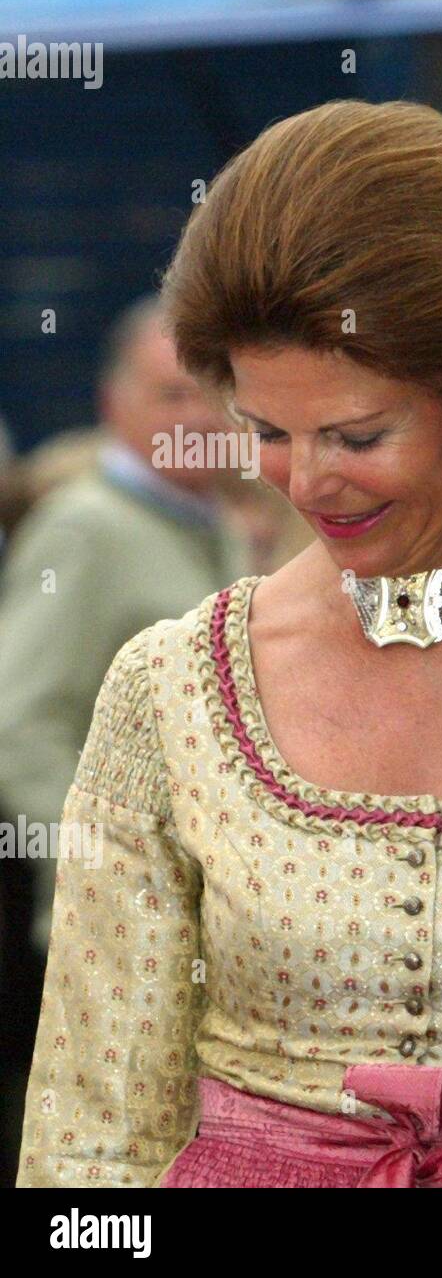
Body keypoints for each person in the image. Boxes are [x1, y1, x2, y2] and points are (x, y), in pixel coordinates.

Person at [16, 98, 442, 1187]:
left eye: (356, 434)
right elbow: (94, 1131)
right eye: (268, 432)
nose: (306, 480)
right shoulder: (172, 686)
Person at [0, 295, 253, 957]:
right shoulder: (84, 527)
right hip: (114, 942)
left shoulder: (209, 520)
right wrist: (100, 870)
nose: (197, 418)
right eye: (172, 396)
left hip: (202, 930)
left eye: (214, 394)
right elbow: (18, 723)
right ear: (114, 404)